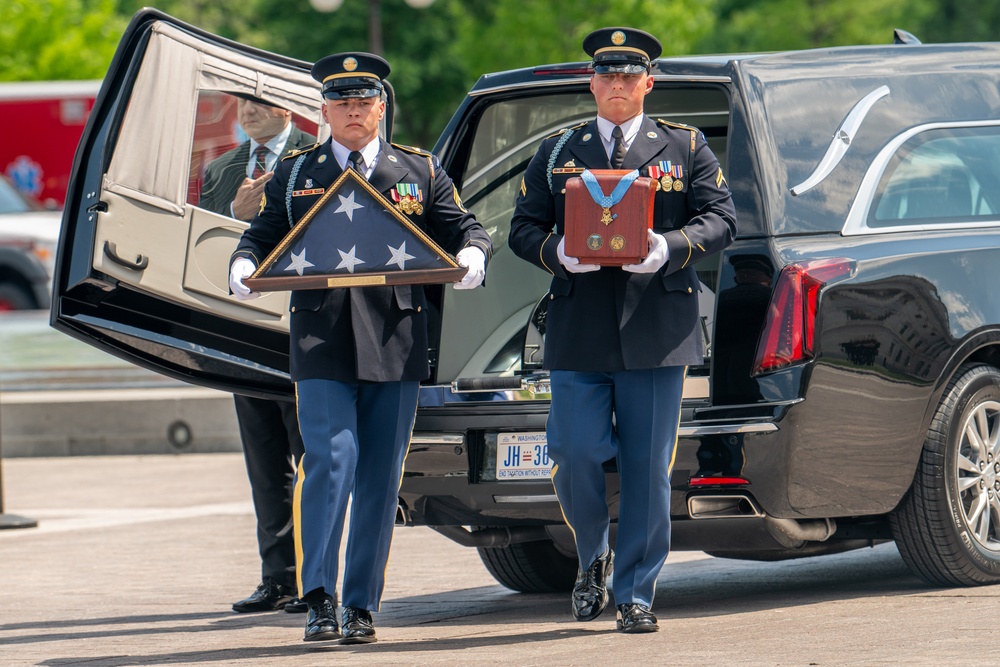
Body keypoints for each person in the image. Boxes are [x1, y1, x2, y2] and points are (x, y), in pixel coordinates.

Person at [227, 52, 492, 645]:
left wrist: (474, 255)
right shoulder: (298, 173)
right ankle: (318, 596)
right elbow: (262, 233)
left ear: (381, 107)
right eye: (340, 101)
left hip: (395, 339)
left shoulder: (418, 171)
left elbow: (463, 227)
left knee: (378, 474)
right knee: (328, 461)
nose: (352, 110)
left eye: (362, 100)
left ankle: (361, 603)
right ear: (323, 110)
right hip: (320, 337)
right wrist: (243, 262)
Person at [508, 27, 737, 634]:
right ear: (591, 82)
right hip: (580, 324)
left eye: (628, 75)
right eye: (606, 75)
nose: (617, 85)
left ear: (648, 83)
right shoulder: (558, 150)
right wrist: (559, 251)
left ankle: (636, 591)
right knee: (574, 452)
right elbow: (522, 228)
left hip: (657, 327)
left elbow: (721, 218)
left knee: (645, 467)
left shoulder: (685, 148)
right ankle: (593, 557)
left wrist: (672, 245)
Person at [199, 96, 315, 615]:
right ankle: (278, 578)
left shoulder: (317, 155)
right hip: (244, 330)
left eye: (261, 101)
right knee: (265, 462)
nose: (247, 110)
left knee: (312, 457)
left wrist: (267, 208)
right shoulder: (222, 168)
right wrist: (234, 212)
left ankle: (317, 577)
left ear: (288, 109)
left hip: (303, 329)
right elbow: (203, 242)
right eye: (242, 100)